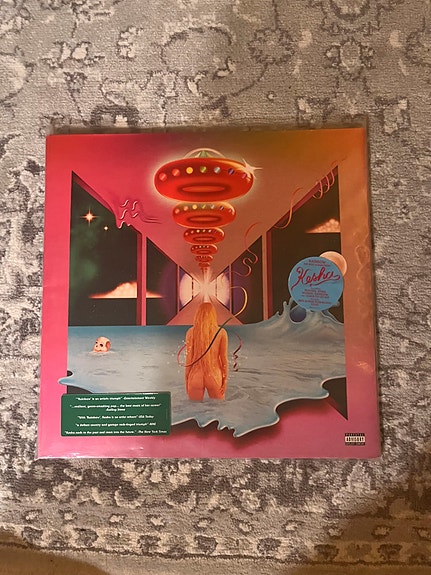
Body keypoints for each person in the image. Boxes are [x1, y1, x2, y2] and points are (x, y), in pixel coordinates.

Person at [185, 302, 228, 401]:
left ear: (198, 315)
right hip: (214, 375)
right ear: (213, 315)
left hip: (196, 376)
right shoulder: (221, 332)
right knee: (218, 408)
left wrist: (186, 379)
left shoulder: (191, 332)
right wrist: (225, 380)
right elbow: (224, 360)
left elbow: (189, 360)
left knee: (194, 409)